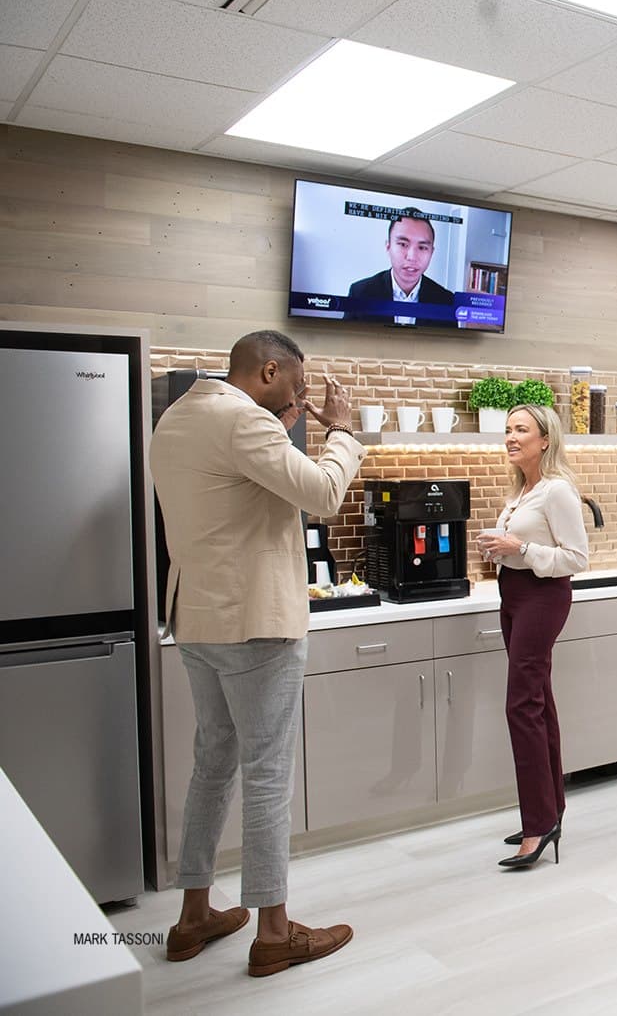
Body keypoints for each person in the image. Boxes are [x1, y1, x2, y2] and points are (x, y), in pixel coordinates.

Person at [150, 329, 365, 976]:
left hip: (197, 619)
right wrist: (343, 432)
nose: (303, 394)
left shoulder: (180, 416)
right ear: (268, 369)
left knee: (212, 762)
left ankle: (193, 914)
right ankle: (273, 930)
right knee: (268, 771)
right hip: (255, 624)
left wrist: (284, 421)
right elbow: (325, 495)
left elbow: (237, 498)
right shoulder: (244, 424)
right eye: (297, 383)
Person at [476, 403, 589, 869]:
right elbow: (522, 550)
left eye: (521, 429)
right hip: (515, 595)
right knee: (537, 700)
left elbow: (577, 559)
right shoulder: (523, 491)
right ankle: (550, 812)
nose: (510, 436)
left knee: (521, 706)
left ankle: (538, 824)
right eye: (507, 429)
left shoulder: (557, 491)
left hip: (543, 598)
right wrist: (503, 552)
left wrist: (518, 547)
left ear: (545, 440)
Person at [347, 208, 453, 305]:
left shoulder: (446, 300)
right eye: (403, 244)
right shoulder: (360, 293)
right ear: (388, 247)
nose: (412, 257)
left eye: (422, 247)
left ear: (431, 252)